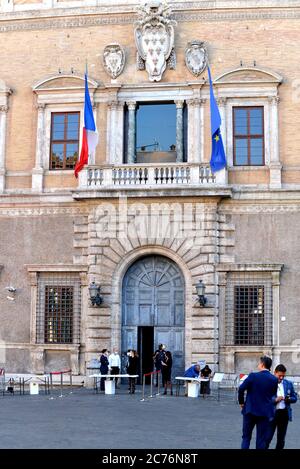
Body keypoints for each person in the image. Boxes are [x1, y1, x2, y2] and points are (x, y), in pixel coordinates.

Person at [238, 355, 278, 449]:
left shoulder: (253, 376)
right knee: (261, 439)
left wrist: (241, 402)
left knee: (246, 437)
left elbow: (241, 389)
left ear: (262, 364)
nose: (258, 365)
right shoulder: (274, 379)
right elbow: (273, 395)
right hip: (264, 412)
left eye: (259, 363)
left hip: (250, 410)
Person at [267, 364, 298, 449]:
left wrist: (289, 399)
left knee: (281, 439)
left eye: (283, 376)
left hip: (284, 414)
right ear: (275, 373)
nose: (281, 378)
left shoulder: (288, 383)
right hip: (272, 414)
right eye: (279, 375)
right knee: (267, 438)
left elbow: (295, 398)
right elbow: (264, 399)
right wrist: (275, 400)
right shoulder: (268, 383)